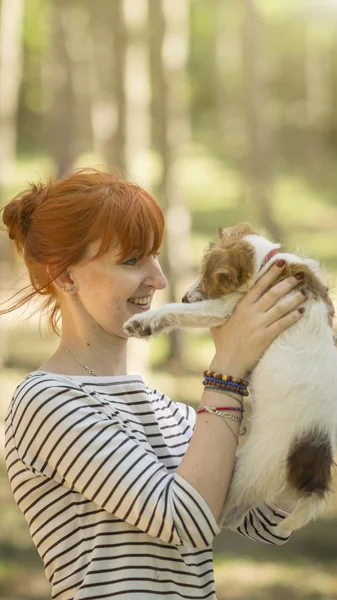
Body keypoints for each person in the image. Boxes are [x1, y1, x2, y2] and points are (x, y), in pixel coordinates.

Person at [1, 168, 305, 600]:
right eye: (131, 260)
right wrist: (228, 370)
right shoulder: (47, 401)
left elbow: (266, 521)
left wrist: (308, 392)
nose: (159, 279)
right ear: (65, 276)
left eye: (154, 255)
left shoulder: (166, 410)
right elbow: (187, 522)